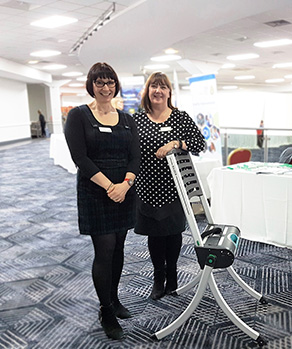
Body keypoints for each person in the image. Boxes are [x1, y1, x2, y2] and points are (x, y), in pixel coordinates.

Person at [64, 62, 140, 340]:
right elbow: (80, 158)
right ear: (91, 86)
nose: (106, 88)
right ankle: (105, 309)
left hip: (123, 191)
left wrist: (125, 184)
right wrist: (110, 187)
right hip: (96, 191)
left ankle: (115, 298)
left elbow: (135, 157)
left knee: (119, 246)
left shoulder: (127, 119)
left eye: (110, 83)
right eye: (100, 83)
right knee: (105, 249)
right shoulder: (79, 116)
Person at [134, 72, 205, 300]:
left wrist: (176, 143)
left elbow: (200, 143)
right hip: (147, 188)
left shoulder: (180, 118)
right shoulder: (138, 120)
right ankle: (158, 278)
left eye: (163, 87)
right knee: (154, 236)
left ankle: (172, 276)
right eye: (154, 86)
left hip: (174, 188)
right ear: (148, 91)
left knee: (173, 233)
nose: (158, 90)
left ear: (169, 92)